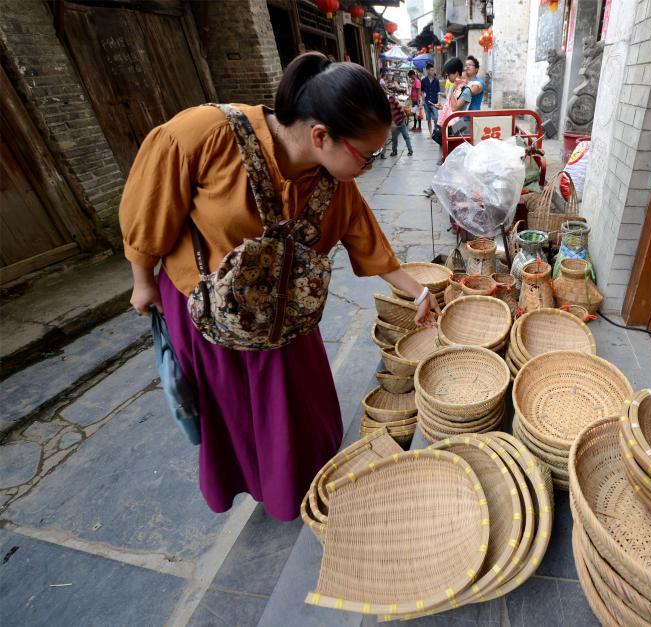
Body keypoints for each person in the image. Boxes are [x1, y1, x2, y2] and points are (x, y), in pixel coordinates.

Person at [119, 52, 439, 521]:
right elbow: (148, 211)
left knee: (299, 412)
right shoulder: (203, 135)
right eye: (367, 156)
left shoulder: (331, 177)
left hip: (288, 315)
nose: (370, 167)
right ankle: (256, 484)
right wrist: (142, 281)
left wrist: (417, 291)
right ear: (320, 135)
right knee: (238, 416)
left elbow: (367, 240)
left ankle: (297, 490)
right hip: (211, 314)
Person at [382, 90, 413, 157]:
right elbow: (402, 111)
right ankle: (409, 151)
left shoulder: (390, 102)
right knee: (403, 137)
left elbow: (401, 111)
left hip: (397, 123)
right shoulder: (393, 101)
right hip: (397, 122)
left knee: (395, 138)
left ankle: (395, 151)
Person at [420, 63, 441, 139]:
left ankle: (435, 133)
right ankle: (430, 134)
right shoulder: (423, 80)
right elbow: (421, 90)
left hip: (434, 102)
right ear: (428, 70)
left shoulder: (436, 80)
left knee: (435, 118)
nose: (433, 71)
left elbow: (438, 92)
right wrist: (423, 98)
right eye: (432, 70)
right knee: (428, 119)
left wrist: (438, 102)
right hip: (426, 102)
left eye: (433, 70)